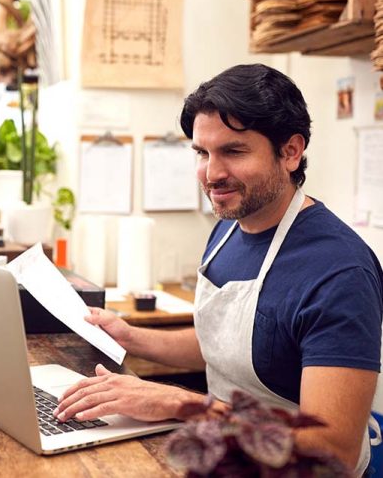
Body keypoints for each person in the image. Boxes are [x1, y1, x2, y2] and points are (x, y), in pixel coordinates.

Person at [54, 64, 383, 475]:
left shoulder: (339, 272)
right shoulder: (229, 228)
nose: (211, 175)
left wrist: (181, 403)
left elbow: (332, 449)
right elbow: (232, 342)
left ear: (291, 152)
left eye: (233, 151)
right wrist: (130, 337)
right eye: (202, 153)